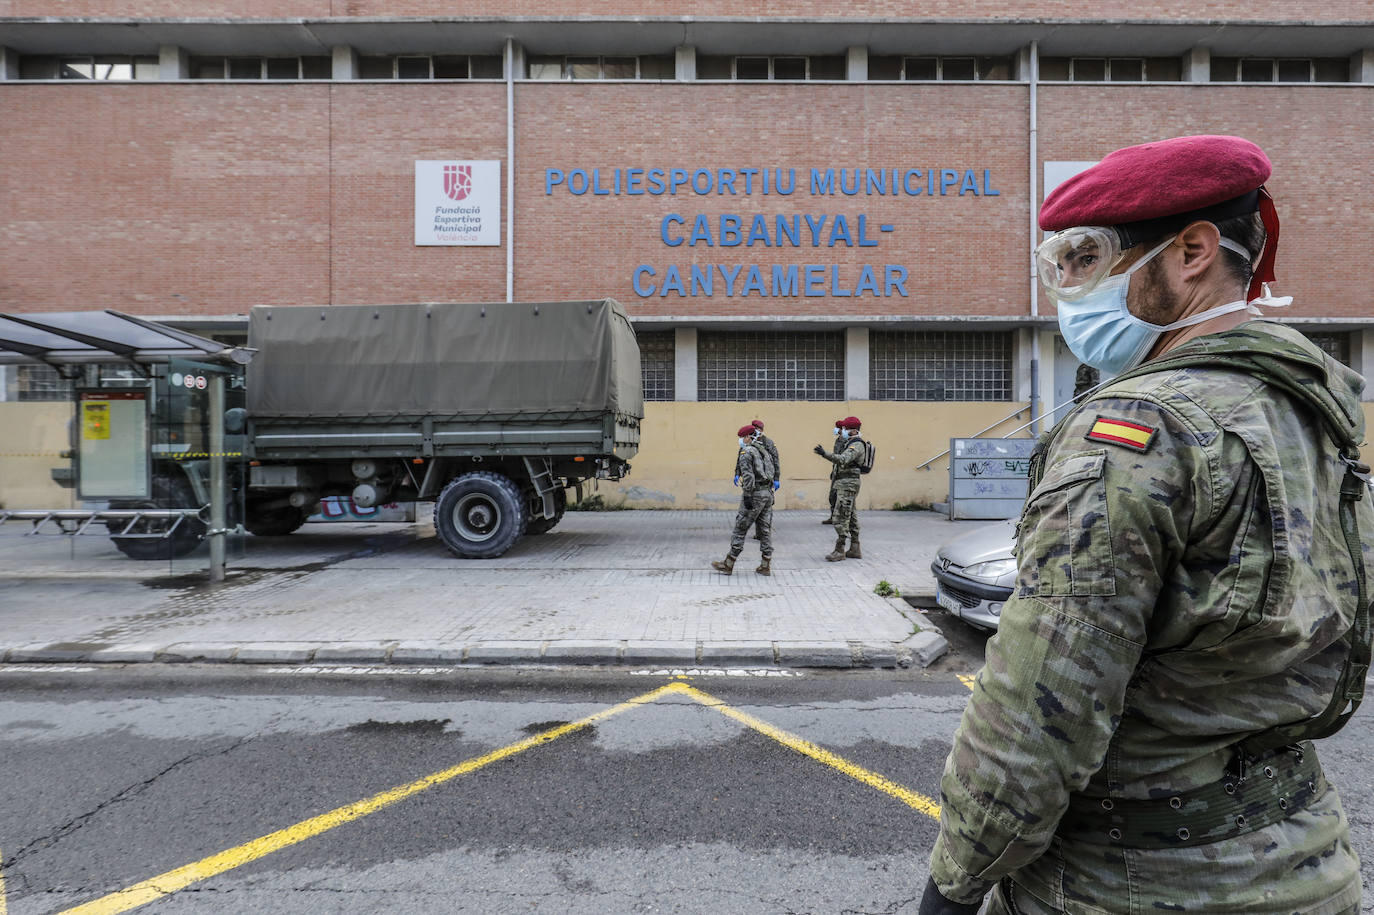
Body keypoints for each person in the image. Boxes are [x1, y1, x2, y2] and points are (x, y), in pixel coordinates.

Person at [920, 135, 1370, 914]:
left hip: (1130, 877)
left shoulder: (1136, 430)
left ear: (1193, 251)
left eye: (1087, 259)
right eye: (1059, 262)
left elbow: (1039, 706)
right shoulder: (1310, 407)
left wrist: (954, 886)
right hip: (1302, 859)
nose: (1067, 287)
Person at [712, 424, 775, 576]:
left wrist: (747, 495)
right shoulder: (763, 450)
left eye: (741, 437)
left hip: (755, 494)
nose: (740, 440)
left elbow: (748, 476)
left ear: (748, 437)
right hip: (767, 493)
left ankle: (728, 563)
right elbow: (771, 470)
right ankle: (765, 564)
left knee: (740, 528)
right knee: (765, 530)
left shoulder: (746, 452)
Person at [812, 416, 864, 561]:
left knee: (840, 517)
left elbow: (843, 459)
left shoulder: (857, 445)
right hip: (844, 483)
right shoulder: (850, 442)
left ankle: (839, 550)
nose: (843, 431)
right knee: (851, 517)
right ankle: (855, 548)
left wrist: (824, 454)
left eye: (845, 429)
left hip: (848, 484)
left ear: (853, 430)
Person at [750, 419, 781, 540]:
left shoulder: (768, 442)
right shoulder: (749, 440)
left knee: (766, 508)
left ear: (761, 430)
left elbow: (775, 460)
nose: (755, 431)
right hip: (753, 479)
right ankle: (759, 533)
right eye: (754, 428)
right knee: (755, 506)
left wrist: (776, 478)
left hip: (766, 479)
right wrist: (737, 473)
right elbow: (741, 456)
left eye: (757, 429)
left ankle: (765, 533)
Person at [821, 418, 845, 525]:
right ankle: (833, 516)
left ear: (841, 429)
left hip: (843, 473)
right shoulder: (838, 440)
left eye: (837, 428)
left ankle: (842, 518)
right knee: (832, 496)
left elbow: (841, 458)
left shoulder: (846, 441)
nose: (835, 429)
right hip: (836, 472)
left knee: (841, 497)